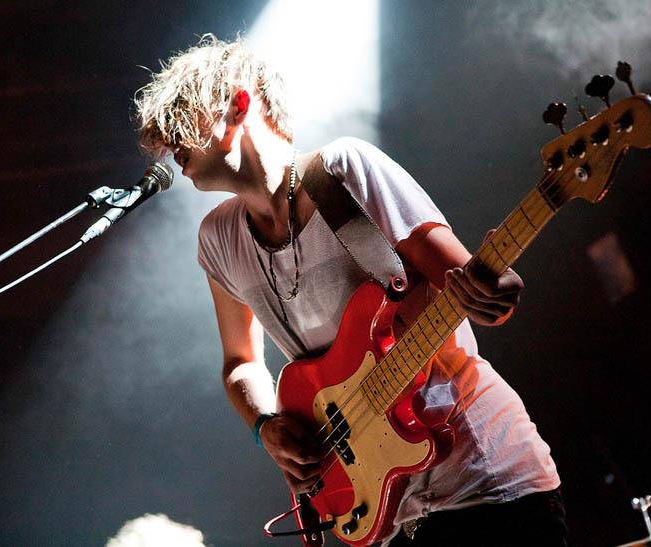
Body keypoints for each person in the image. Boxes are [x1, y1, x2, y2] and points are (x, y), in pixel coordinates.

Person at [133, 35, 566, 546]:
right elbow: (239, 363)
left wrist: (489, 288)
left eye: (181, 123)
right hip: (386, 512)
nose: (168, 146)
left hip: (485, 478)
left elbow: (461, 278)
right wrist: (265, 424)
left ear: (239, 104)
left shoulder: (343, 172)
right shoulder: (217, 241)